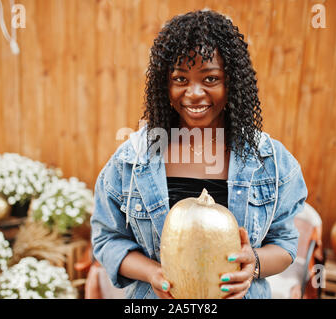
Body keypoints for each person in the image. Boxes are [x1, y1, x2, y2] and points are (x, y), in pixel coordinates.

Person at [91, 9, 308, 299]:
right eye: (180, 79)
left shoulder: (271, 161)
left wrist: (252, 265)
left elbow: (285, 244)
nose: (194, 93)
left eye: (210, 79)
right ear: (164, 85)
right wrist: (152, 273)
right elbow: (107, 239)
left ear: (231, 83)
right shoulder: (133, 159)